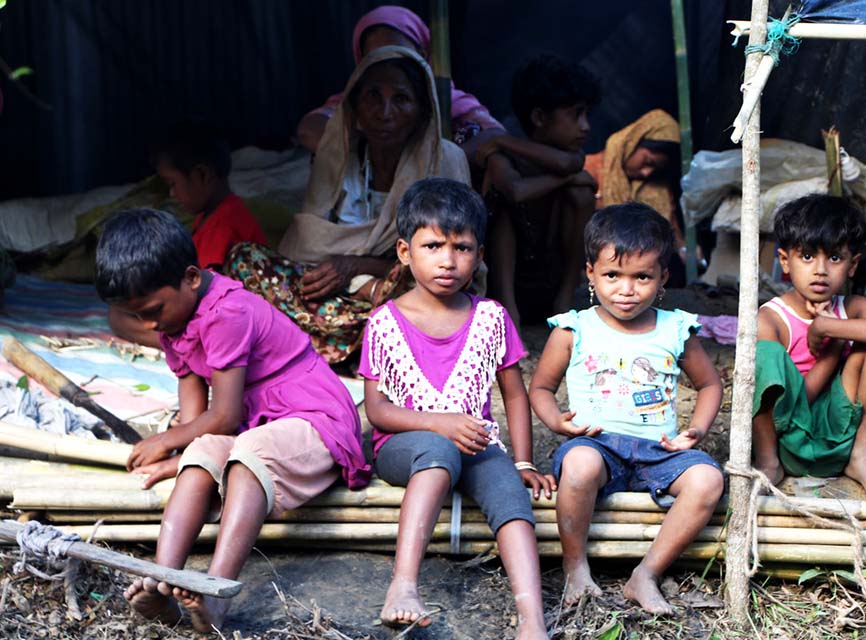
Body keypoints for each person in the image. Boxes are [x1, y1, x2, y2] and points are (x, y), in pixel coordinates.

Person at [95, 209, 370, 632]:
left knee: (247, 451)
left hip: (314, 419)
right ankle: (163, 580)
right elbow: (199, 420)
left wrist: (166, 439)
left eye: (152, 311)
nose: (150, 326)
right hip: (256, 425)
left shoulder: (226, 311)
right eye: (139, 317)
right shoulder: (175, 319)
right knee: (204, 450)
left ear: (190, 278)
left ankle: (216, 594)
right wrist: (183, 456)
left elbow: (223, 415)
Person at [360, 178, 552, 637]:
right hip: (405, 448)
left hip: (474, 441)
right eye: (432, 246)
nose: (447, 260)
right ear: (405, 252)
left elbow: (514, 394)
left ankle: (533, 620)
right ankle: (404, 586)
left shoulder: (491, 317)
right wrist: (439, 425)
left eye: (462, 248)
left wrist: (522, 460)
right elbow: (378, 412)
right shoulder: (385, 322)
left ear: (479, 255)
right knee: (438, 450)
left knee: (507, 489)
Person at [528, 203, 724, 615]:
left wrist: (697, 429)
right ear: (590, 273)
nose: (626, 289)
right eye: (612, 275)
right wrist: (556, 422)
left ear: (663, 277)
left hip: (659, 452)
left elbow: (708, 385)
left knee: (707, 480)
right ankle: (575, 566)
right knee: (579, 467)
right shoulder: (573, 328)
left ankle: (646, 574)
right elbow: (542, 387)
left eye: (642, 277)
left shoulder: (675, 329)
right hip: (597, 446)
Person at [228, 46, 470, 364]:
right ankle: (360, 342)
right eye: (372, 96)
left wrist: (354, 266)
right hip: (339, 294)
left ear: (422, 111)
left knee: (420, 280)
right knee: (244, 258)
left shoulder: (444, 160)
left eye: (400, 99)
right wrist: (329, 275)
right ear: (353, 106)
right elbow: (309, 241)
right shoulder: (338, 158)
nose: (384, 112)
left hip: (397, 294)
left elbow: (451, 256)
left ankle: (308, 338)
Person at [753, 194, 866, 503]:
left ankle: (862, 460)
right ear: (785, 261)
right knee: (763, 355)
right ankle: (767, 462)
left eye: (835, 258)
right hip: (790, 445)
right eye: (808, 256)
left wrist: (827, 327)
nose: (821, 270)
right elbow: (795, 407)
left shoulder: (852, 307)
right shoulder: (772, 319)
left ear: (853, 265)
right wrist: (834, 350)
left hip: (844, 441)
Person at [108, 122, 266, 348]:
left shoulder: (223, 224)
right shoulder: (211, 216)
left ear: (201, 175)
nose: (171, 193)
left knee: (119, 317)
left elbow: (204, 294)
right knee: (123, 308)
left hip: (230, 320)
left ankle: (187, 347)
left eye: (173, 184)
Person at [295, 5, 503, 168]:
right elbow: (309, 128)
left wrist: (439, 164)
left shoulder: (446, 98)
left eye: (398, 54)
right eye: (378, 57)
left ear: (421, 55)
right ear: (362, 62)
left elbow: (495, 133)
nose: (389, 66)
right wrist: (374, 150)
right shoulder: (358, 99)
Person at [482, 55, 601, 326]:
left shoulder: (571, 160)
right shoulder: (504, 158)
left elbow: (571, 163)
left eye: (586, 114)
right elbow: (516, 191)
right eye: (575, 115)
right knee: (504, 209)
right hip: (507, 284)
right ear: (538, 117)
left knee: (581, 196)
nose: (586, 126)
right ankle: (509, 311)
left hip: (550, 280)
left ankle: (564, 300)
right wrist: (566, 178)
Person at [583, 109, 694, 276]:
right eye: (647, 162)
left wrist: (687, 250)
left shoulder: (656, 188)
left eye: (654, 169)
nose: (647, 173)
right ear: (631, 142)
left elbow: (671, 227)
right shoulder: (589, 169)